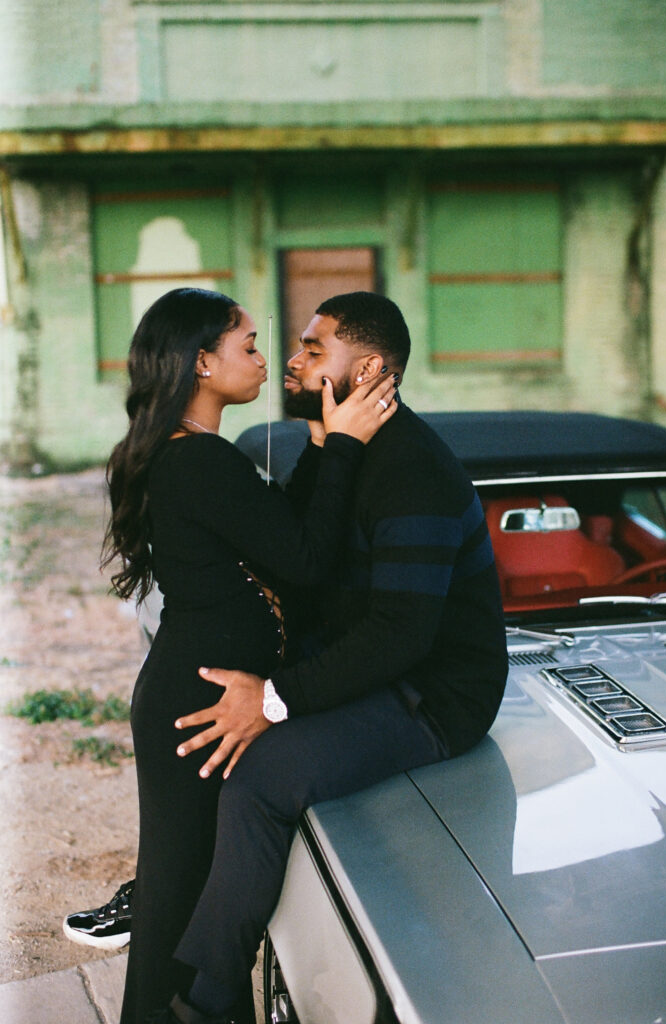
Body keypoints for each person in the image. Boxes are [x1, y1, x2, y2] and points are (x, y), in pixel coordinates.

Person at [146, 292, 509, 1024]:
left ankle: (205, 998)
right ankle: (174, 931)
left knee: (262, 773)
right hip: (369, 669)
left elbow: (400, 637)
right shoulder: (336, 452)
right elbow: (299, 562)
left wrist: (273, 697)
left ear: (369, 367)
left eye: (314, 349)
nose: (292, 357)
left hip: (433, 695)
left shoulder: (415, 471)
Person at [84, 287, 397, 1024]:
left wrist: (323, 444)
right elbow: (306, 558)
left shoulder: (194, 455)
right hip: (197, 706)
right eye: (249, 345)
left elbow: (276, 528)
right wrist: (346, 443)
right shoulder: (197, 462)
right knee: (177, 899)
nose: (265, 360)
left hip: (192, 695)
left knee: (186, 893)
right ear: (201, 362)